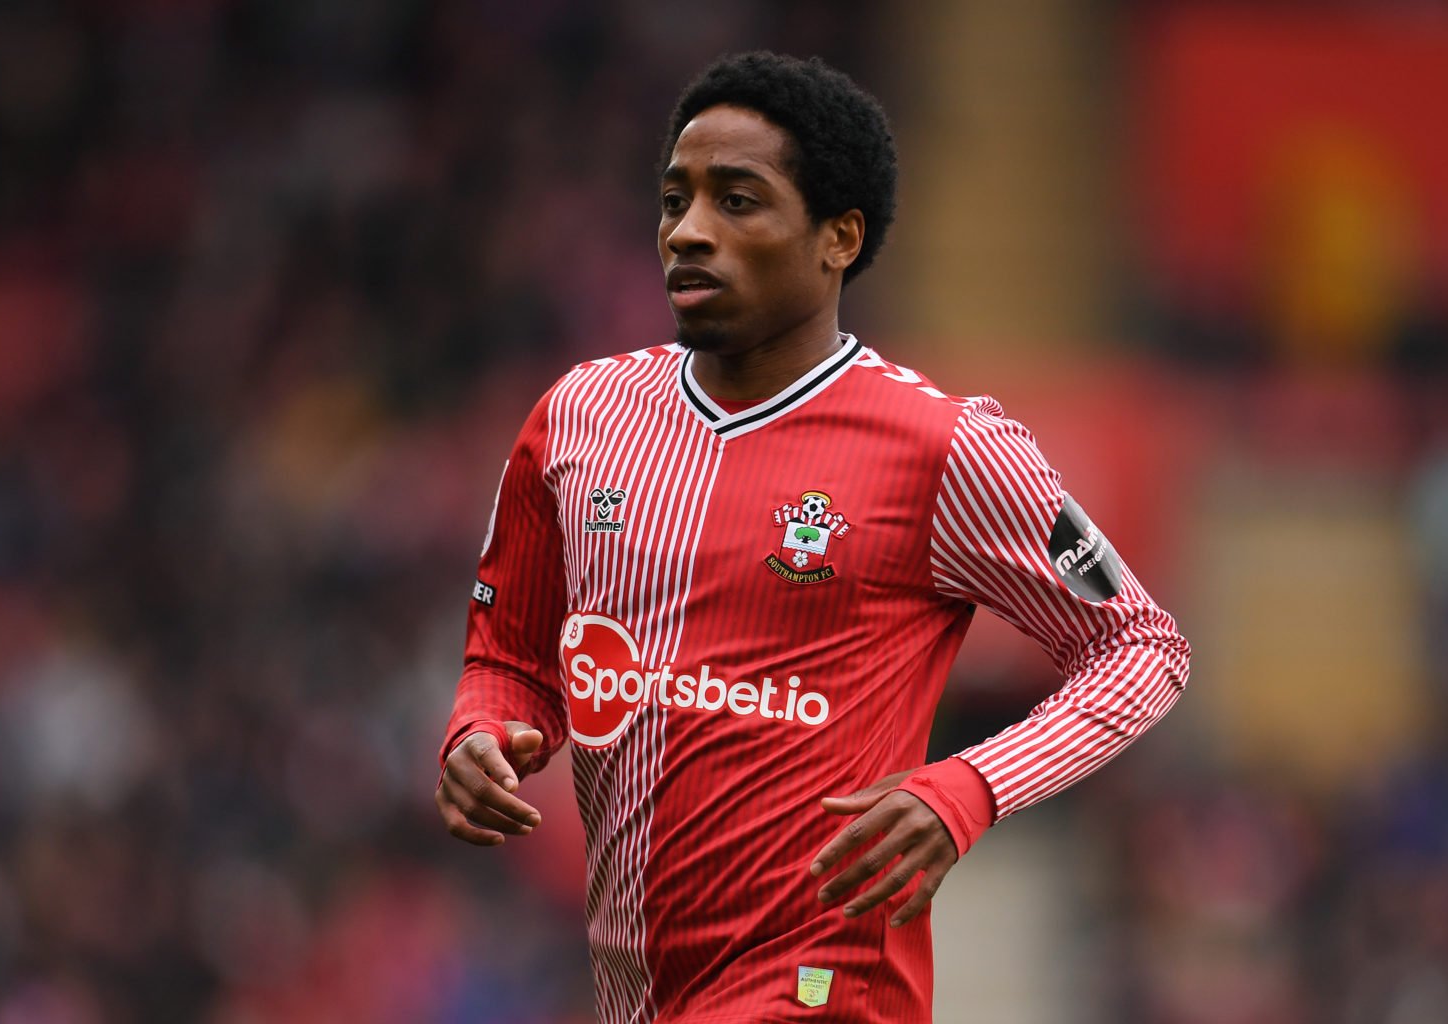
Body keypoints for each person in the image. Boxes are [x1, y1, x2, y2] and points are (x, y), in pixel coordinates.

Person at [436, 50, 1189, 1024]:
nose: (690, 232)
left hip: (824, 990)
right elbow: (509, 654)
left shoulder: (945, 449)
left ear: (839, 237)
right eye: (675, 200)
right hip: (644, 995)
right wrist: (479, 729)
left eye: (738, 201)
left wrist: (966, 788)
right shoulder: (578, 418)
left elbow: (1141, 645)